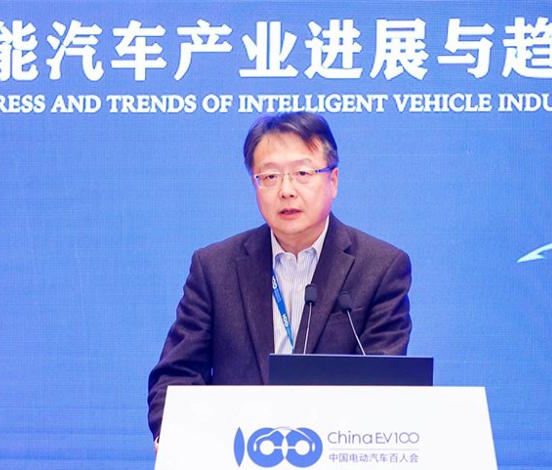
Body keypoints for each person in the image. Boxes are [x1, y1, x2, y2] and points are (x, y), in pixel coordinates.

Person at [147, 112, 412, 442]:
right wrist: (174, 437)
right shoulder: (215, 267)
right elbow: (176, 374)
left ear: (333, 181)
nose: (286, 190)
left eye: (302, 173)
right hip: (236, 451)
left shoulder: (381, 267)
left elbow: (383, 386)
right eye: (270, 176)